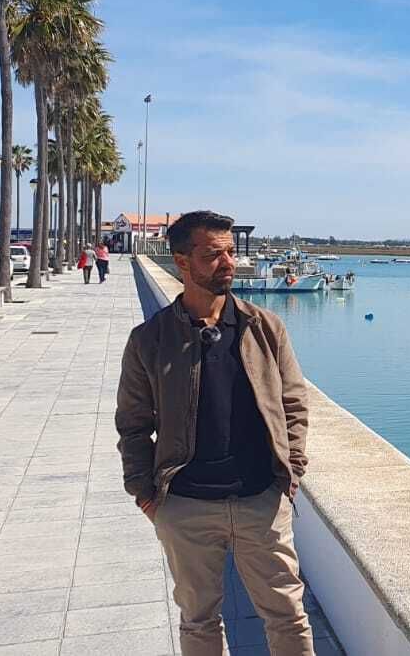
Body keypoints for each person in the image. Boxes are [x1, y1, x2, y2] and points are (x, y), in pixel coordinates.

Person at [116, 210, 314, 655]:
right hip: (185, 505)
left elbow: (294, 403)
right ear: (182, 262)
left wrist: (292, 470)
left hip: (261, 501)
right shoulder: (148, 340)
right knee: (199, 620)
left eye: (230, 252)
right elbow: (133, 424)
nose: (228, 263)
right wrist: (145, 493)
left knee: (287, 617)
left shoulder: (264, 328)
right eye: (213, 254)